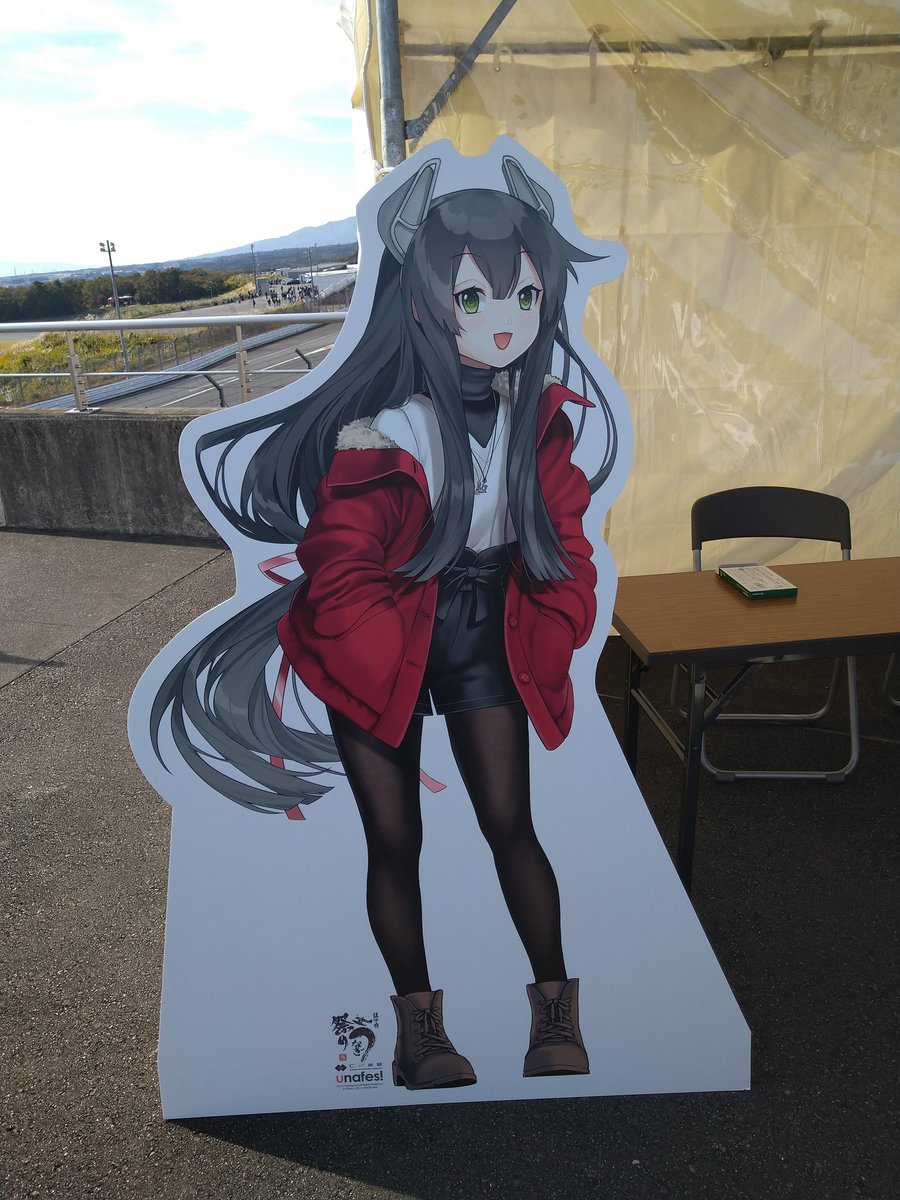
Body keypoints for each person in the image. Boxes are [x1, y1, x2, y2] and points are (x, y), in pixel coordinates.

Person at [147, 152, 621, 1092]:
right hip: (383, 637)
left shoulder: (538, 419)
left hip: (485, 629)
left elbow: (567, 535)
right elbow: (340, 562)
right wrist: (374, 647)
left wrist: (561, 611)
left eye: (524, 299)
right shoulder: (386, 432)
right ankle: (419, 1034)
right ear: (426, 302)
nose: (503, 324)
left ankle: (553, 1014)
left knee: (510, 821)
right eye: (473, 299)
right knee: (395, 838)